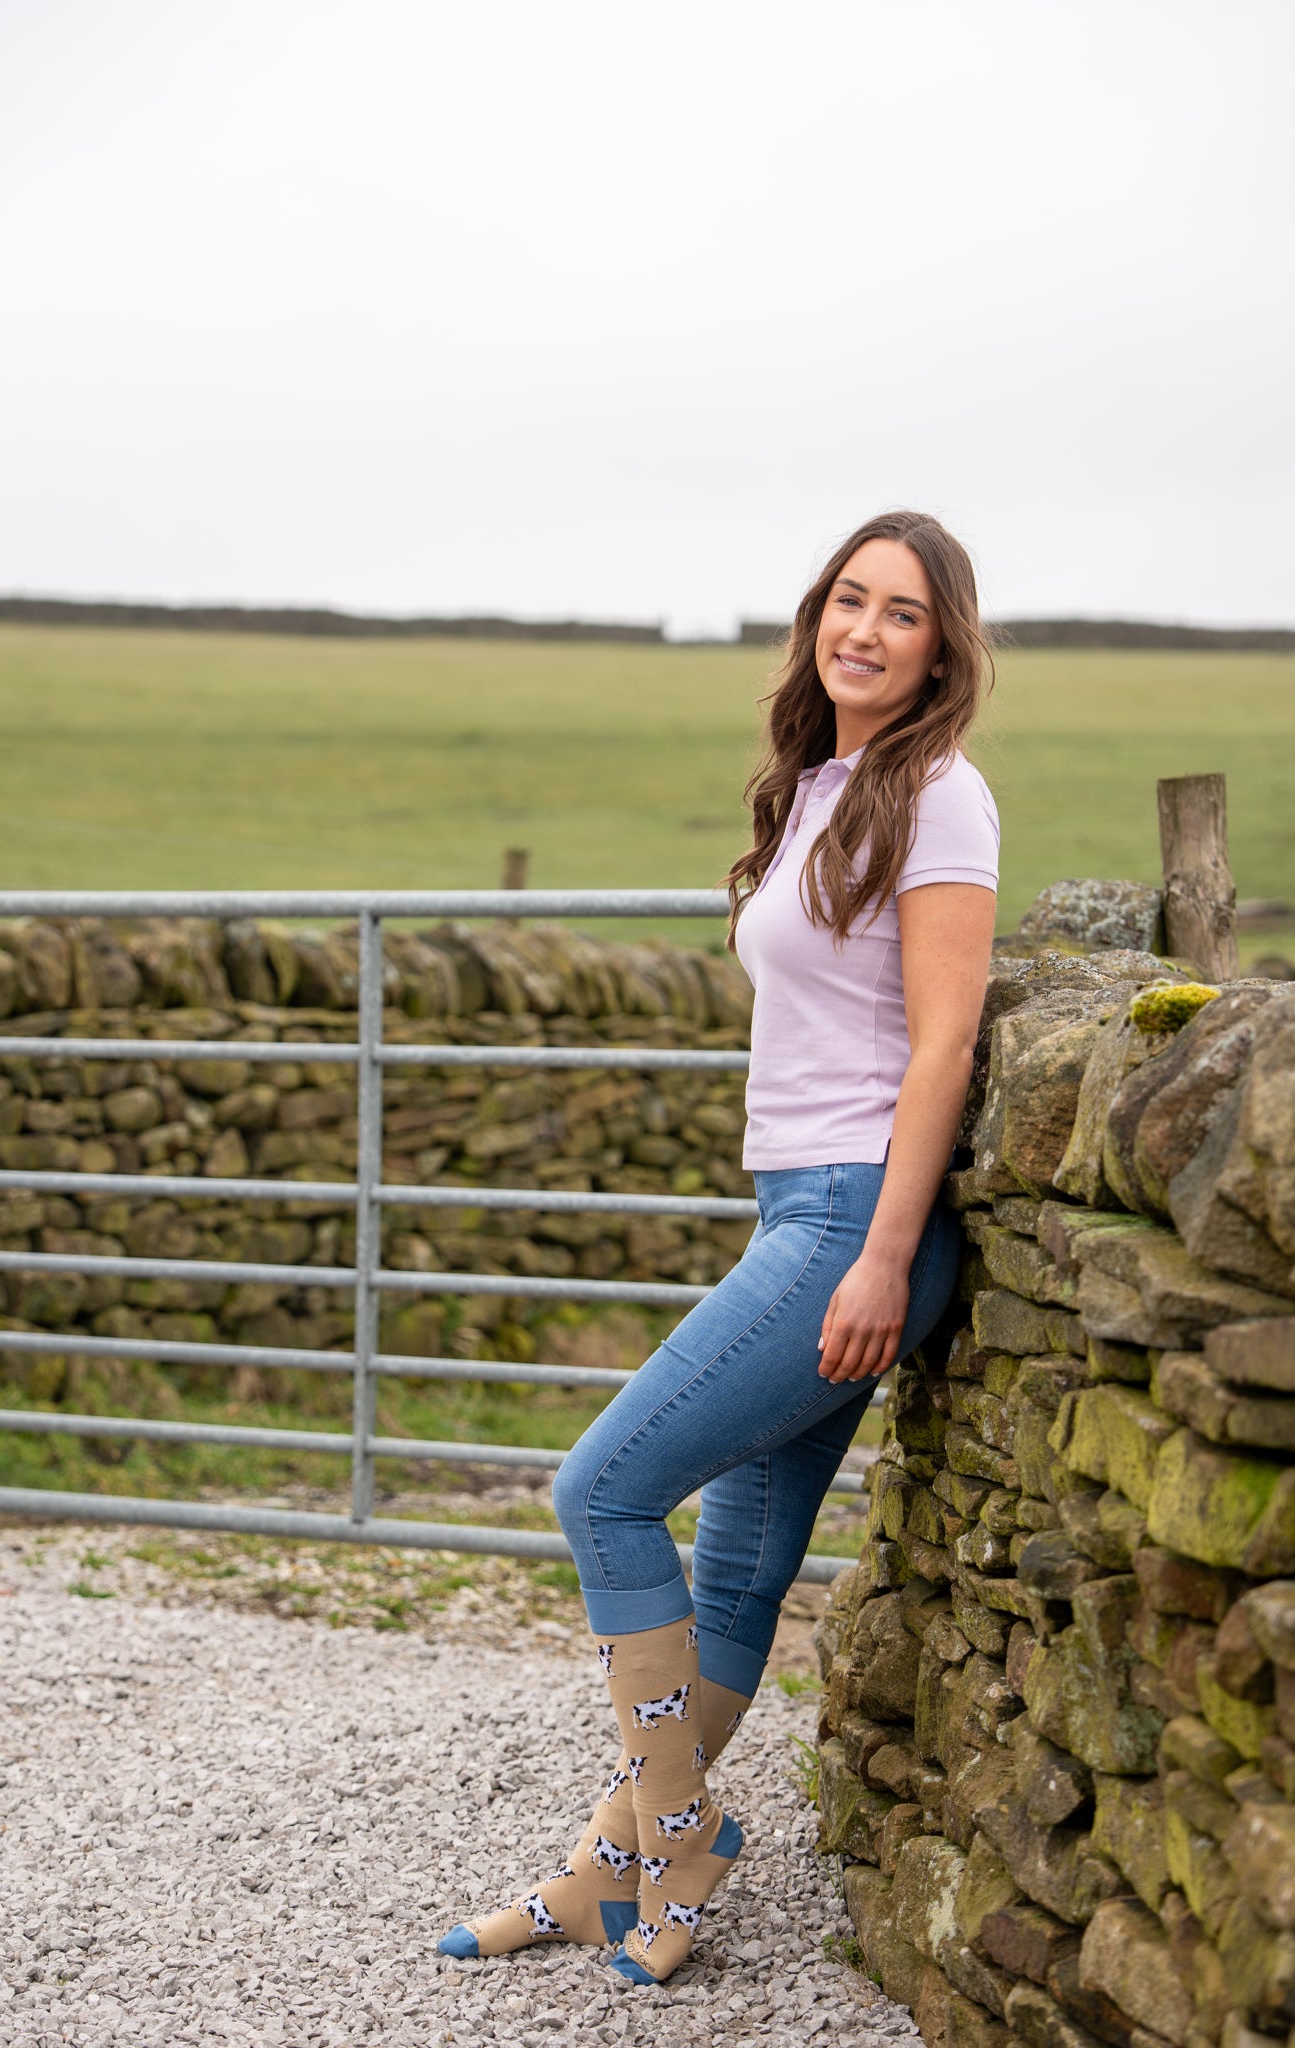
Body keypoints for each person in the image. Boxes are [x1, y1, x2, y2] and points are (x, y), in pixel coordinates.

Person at [438, 509, 999, 1985]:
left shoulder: (938, 793)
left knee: (601, 1491)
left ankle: (675, 1841)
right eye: (848, 600)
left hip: (853, 1220)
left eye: (901, 614)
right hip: (800, 1207)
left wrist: (881, 1258)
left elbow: (941, 1045)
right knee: (741, 1572)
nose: (863, 631)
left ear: (943, 649)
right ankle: (600, 1876)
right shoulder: (823, 786)